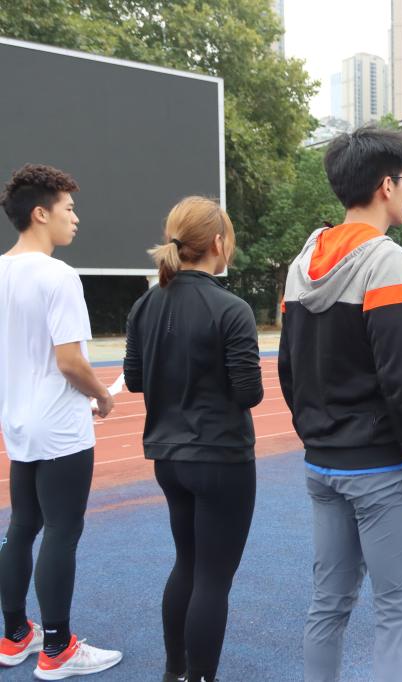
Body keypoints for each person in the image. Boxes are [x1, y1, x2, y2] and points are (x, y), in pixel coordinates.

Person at [278, 124, 402, 682]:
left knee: (328, 604)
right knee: (399, 611)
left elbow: (288, 368)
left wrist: (318, 434)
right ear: (386, 185)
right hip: (380, 467)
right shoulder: (385, 259)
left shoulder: (302, 262)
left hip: (323, 462)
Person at [124, 197, 262, 682]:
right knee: (213, 578)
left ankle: (175, 672)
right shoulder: (232, 309)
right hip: (221, 457)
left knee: (187, 564)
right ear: (218, 243)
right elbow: (249, 392)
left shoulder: (144, 305)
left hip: (168, 456)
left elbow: (135, 380)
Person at [0, 164, 122, 678]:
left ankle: (14, 636)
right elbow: (70, 361)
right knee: (62, 531)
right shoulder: (59, 276)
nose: (76, 218)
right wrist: (102, 395)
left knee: (21, 526)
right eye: (69, 208)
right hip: (60, 428)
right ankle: (57, 649)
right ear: (40, 213)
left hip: (18, 423)